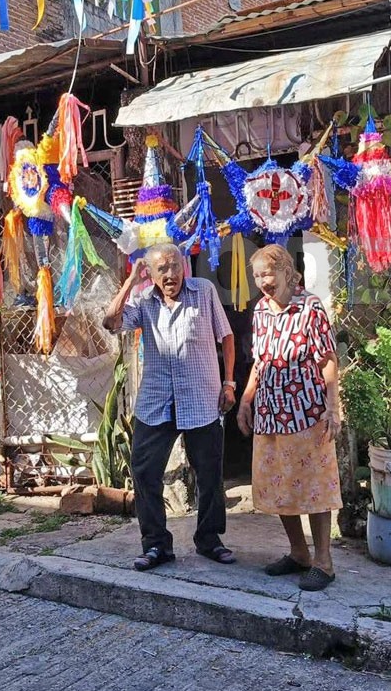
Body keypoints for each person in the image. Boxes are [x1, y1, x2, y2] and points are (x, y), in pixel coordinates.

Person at [103, 243, 237, 571]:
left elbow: (227, 336)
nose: (171, 274)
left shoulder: (203, 292)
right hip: (156, 402)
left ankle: (209, 540)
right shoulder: (143, 302)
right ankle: (156, 544)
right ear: (150, 273)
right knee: (144, 471)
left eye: (175, 266)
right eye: (162, 269)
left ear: (184, 266)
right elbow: (110, 322)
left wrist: (229, 382)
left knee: (209, 473)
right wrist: (131, 279)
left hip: (201, 399)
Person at [238, 244, 342, 592]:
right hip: (270, 412)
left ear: (286, 271)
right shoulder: (261, 311)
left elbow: (328, 360)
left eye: (268, 274)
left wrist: (333, 406)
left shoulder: (310, 307)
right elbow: (260, 361)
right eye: (257, 276)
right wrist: (246, 400)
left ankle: (323, 562)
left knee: (313, 485)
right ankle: (299, 553)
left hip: (306, 411)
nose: (263, 282)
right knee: (280, 484)